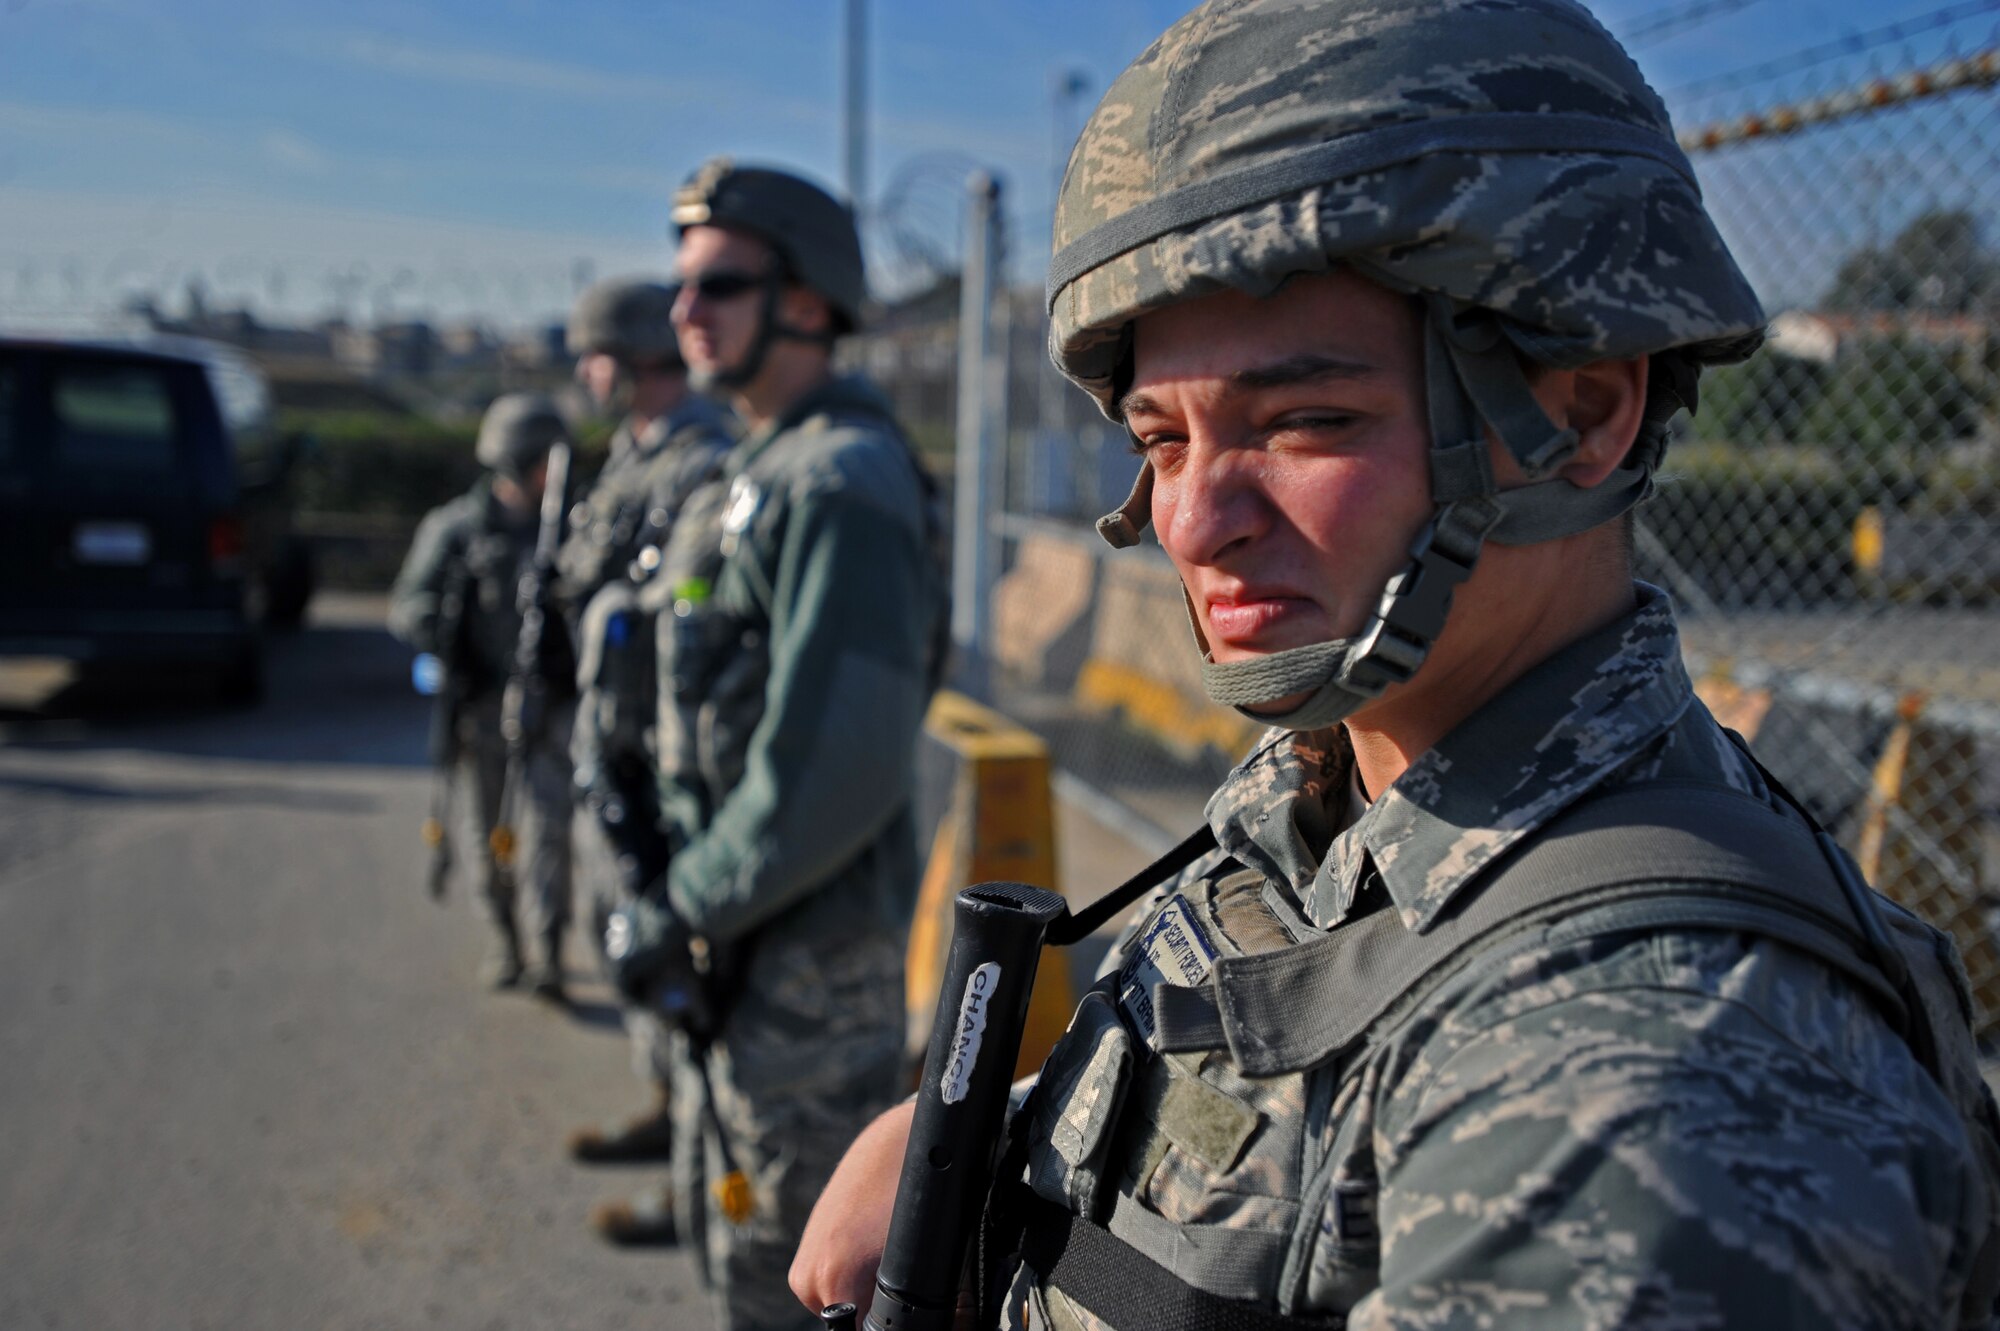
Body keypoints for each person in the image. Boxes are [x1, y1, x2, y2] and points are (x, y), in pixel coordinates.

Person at [791, 2, 2000, 1328]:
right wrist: (1004, 1142)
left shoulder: (1640, 1100)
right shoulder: (1342, 795)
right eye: (1165, 439)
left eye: (1305, 421)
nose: (1194, 520)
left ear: (1585, 407)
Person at [607, 157, 947, 1331]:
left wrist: (678, 903)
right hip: (735, 957)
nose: (682, 312)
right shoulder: (752, 470)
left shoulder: (840, 483)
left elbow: (829, 771)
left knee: (794, 1288)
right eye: (680, 285)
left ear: (805, 303)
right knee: (734, 1241)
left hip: (797, 972)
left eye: (718, 284)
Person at [556, 277, 737, 1246]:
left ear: (626, 360)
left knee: (678, 964)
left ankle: (695, 1170)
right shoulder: (635, 457)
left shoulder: (698, 462)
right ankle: (667, 1115)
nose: (583, 373)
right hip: (611, 746)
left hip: (658, 766)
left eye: (592, 354)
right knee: (627, 939)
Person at [390, 393, 577, 997]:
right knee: (487, 833)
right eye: (543, 461)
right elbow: (408, 606)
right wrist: (441, 640)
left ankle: (549, 948)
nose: (554, 474)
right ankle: (507, 939)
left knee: (551, 832)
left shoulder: (573, 529)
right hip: (480, 709)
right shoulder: (456, 529)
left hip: (552, 707)